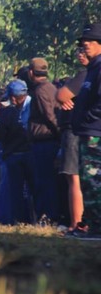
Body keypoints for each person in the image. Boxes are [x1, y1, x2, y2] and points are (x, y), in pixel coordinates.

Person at [72, 23, 101, 235]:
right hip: (87, 132)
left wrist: (88, 119)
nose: (85, 46)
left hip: (95, 134)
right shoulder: (92, 69)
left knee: (93, 181)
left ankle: (97, 226)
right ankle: (91, 222)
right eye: (84, 43)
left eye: (90, 42)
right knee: (87, 180)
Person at [57, 47, 88, 234]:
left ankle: (76, 223)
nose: (80, 54)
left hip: (75, 129)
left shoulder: (86, 75)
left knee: (74, 179)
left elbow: (61, 95)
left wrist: (61, 96)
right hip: (83, 129)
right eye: (78, 50)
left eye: (84, 50)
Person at [0, 79, 35, 225]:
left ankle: (15, 220)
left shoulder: (6, 113)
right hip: (31, 153)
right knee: (31, 189)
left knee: (13, 191)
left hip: (13, 156)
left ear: (12, 97)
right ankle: (31, 219)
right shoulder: (33, 106)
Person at [27, 57, 61, 223]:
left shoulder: (40, 91)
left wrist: (58, 134)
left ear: (31, 73)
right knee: (48, 181)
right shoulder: (51, 88)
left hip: (44, 142)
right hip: (49, 141)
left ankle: (47, 216)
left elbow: (49, 116)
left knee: (43, 181)